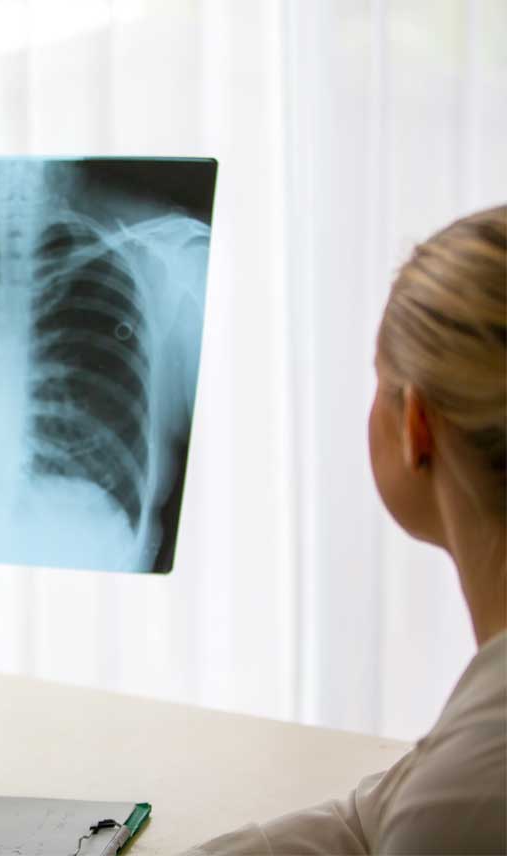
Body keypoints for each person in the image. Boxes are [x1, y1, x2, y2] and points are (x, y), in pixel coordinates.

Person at [190, 205, 506, 854]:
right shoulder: (462, 768)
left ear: (417, 424)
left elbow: (424, 817)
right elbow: (369, 820)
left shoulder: (462, 802)